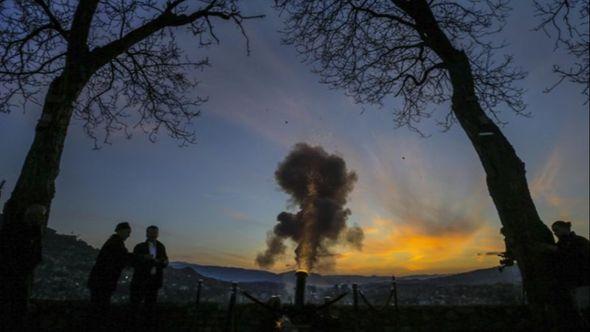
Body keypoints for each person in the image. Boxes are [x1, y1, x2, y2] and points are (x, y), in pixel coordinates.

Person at [87, 222, 133, 320]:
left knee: (97, 306)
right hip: (103, 281)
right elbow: (122, 257)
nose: (129, 235)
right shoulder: (116, 243)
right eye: (128, 232)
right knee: (100, 307)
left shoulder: (113, 242)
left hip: (100, 281)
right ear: (121, 231)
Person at [130, 225, 168, 324]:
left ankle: (148, 325)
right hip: (141, 281)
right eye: (151, 233)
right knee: (135, 305)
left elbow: (165, 260)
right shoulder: (139, 247)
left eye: (155, 233)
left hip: (154, 282)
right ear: (147, 234)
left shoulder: (161, 246)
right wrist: (144, 258)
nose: (153, 235)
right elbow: (134, 262)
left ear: (157, 234)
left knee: (150, 306)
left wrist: (164, 262)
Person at [550, 221, 590, 312]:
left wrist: (556, 250)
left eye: (556, 230)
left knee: (584, 310)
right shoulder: (561, 245)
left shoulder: (580, 241)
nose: (555, 233)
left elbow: (579, 257)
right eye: (554, 231)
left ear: (565, 228)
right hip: (570, 285)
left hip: (583, 282)